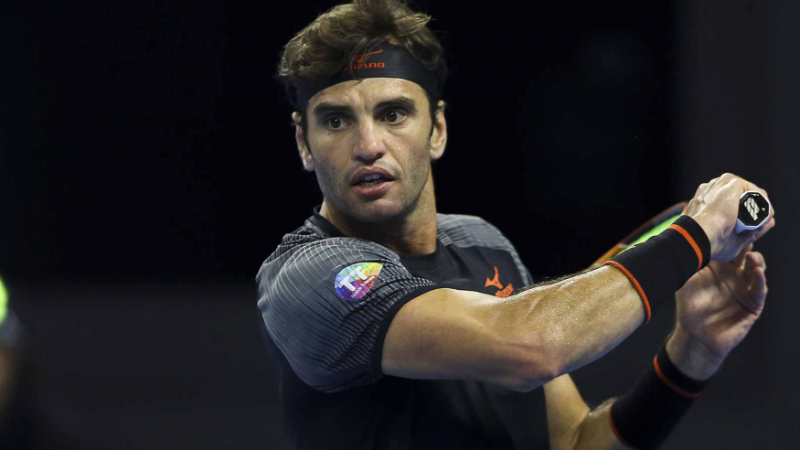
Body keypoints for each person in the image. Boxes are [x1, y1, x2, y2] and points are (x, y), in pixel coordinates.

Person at [256, 1, 776, 448]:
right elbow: (533, 348)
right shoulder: (307, 278)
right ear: (304, 143)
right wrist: (697, 234)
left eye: (393, 114)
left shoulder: (483, 245)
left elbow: (576, 441)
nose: (368, 145)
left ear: (436, 129)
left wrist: (692, 353)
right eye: (336, 120)